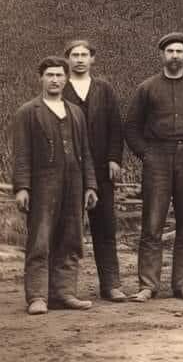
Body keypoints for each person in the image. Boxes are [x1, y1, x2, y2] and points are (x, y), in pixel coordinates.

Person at [124, 32, 183, 302]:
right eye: (169, 51)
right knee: (152, 223)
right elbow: (131, 127)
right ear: (161, 54)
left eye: (179, 51)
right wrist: (146, 154)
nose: (174, 55)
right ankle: (148, 285)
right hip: (157, 156)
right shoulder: (147, 88)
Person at [13, 56, 99, 315]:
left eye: (60, 75)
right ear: (41, 78)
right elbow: (21, 154)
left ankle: (65, 293)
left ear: (66, 78)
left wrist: (90, 185)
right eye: (50, 75)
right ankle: (37, 297)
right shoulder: (28, 112)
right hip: (43, 185)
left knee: (71, 237)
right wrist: (22, 188)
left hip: (74, 184)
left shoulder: (75, 113)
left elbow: (85, 151)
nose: (55, 80)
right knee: (40, 239)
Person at [63, 39, 127, 302]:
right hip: (69, 170)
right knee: (67, 229)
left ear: (93, 60)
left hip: (101, 169)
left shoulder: (104, 89)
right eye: (74, 55)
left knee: (105, 227)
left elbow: (116, 127)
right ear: (67, 60)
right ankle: (65, 288)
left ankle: (111, 285)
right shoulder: (60, 88)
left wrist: (114, 159)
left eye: (84, 55)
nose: (79, 59)